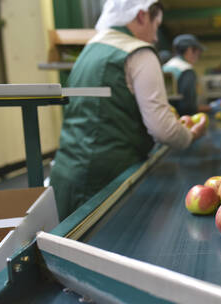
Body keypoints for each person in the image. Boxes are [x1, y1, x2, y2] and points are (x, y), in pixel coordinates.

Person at [50, 0, 206, 221]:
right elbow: (163, 129)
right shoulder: (139, 53)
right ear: (141, 16)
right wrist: (190, 136)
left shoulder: (89, 50)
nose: (154, 37)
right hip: (108, 179)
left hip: (66, 175)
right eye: (156, 25)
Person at [163, 34, 210, 116]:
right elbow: (188, 107)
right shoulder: (186, 70)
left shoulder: (166, 66)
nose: (198, 57)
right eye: (198, 53)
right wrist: (210, 108)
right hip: (181, 120)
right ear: (190, 50)